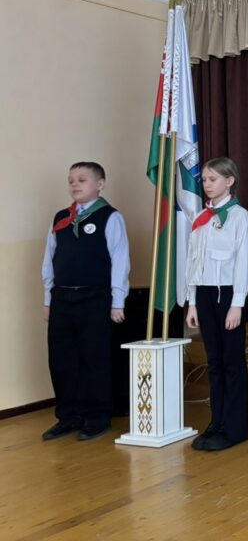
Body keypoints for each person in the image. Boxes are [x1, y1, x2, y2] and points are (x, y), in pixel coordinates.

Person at [41, 161, 129, 441]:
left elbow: (120, 260)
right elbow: (49, 259)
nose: (74, 185)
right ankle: (68, 416)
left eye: (82, 179)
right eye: (71, 180)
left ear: (100, 185)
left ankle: (96, 416)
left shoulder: (110, 217)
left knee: (94, 359)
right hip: (62, 297)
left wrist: (118, 301)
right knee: (61, 359)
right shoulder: (61, 218)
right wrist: (48, 298)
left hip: (95, 297)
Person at [185, 157, 248, 452]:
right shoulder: (201, 218)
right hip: (204, 295)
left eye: (213, 179)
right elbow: (193, 263)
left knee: (231, 362)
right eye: (204, 179)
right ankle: (217, 422)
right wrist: (192, 303)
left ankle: (235, 428)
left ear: (229, 181)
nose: (207, 184)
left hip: (228, 296)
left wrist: (237, 303)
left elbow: (242, 262)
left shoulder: (239, 216)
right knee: (214, 361)